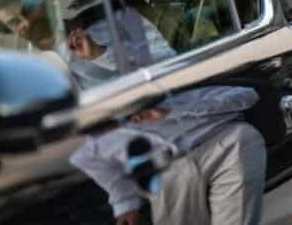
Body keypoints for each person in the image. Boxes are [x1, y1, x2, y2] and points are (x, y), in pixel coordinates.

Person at [69, 85, 267, 225]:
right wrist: (126, 207)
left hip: (225, 145)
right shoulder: (82, 148)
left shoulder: (160, 82)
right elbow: (112, 179)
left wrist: (173, 110)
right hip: (164, 177)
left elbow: (248, 95)